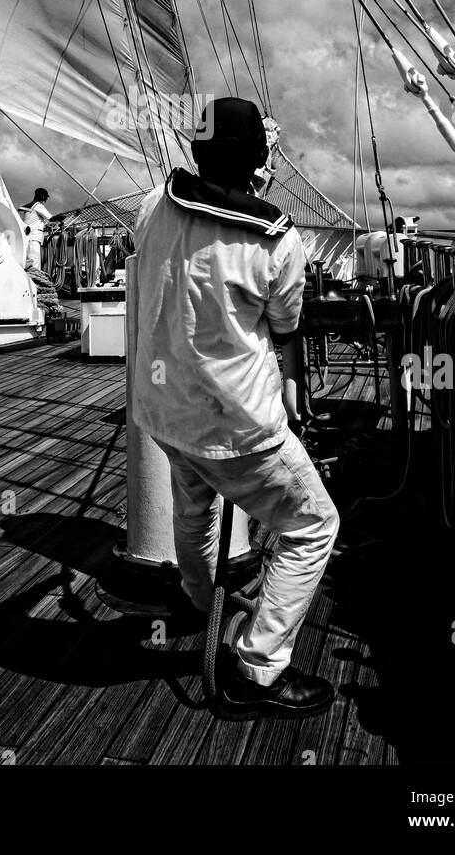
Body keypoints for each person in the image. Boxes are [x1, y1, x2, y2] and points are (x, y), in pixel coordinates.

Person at [131, 97, 340, 717]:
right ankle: (257, 667)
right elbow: (286, 321)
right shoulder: (275, 239)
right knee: (312, 526)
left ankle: (199, 604)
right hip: (239, 428)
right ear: (256, 161)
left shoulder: (152, 205)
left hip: (164, 412)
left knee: (193, 513)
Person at [23, 187, 51, 271]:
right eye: (46, 197)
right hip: (34, 239)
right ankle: (34, 283)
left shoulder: (29, 207)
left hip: (26, 239)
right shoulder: (38, 205)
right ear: (42, 196)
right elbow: (51, 217)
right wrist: (63, 217)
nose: (46, 199)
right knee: (34, 264)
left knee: (27, 263)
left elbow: (34, 222)